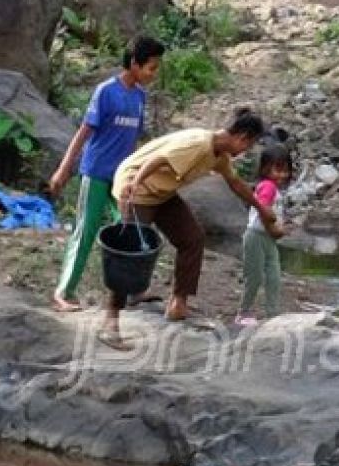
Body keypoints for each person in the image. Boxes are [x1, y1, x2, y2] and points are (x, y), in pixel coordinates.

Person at [99, 109, 276, 349]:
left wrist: (261, 208)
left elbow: (235, 182)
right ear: (242, 137)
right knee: (130, 252)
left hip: (161, 192)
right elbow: (158, 159)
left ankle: (178, 303)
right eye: (250, 145)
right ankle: (111, 322)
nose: (246, 151)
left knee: (192, 238)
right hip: (137, 188)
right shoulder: (198, 145)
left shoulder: (218, 155)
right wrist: (135, 183)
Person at [47, 36, 165, 313]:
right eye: (151, 67)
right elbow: (83, 133)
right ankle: (64, 291)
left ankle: (133, 290)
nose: (153, 74)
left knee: (129, 228)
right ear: (134, 64)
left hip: (122, 179)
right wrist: (64, 169)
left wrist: (137, 174)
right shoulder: (106, 92)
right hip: (97, 174)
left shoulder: (139, 96)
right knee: (86, 231)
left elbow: (133, 140)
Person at [236, 144, 292, 325]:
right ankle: (244, 312)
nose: (282, 175)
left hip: (268, 238)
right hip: (257, 236)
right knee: (254, 275)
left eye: (286, 171)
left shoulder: (275, 188)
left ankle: (273, 312)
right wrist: (275, 230)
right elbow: (263, 210)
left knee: (274, 275)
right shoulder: (267, 186)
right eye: (278, 169)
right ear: (265, 168)